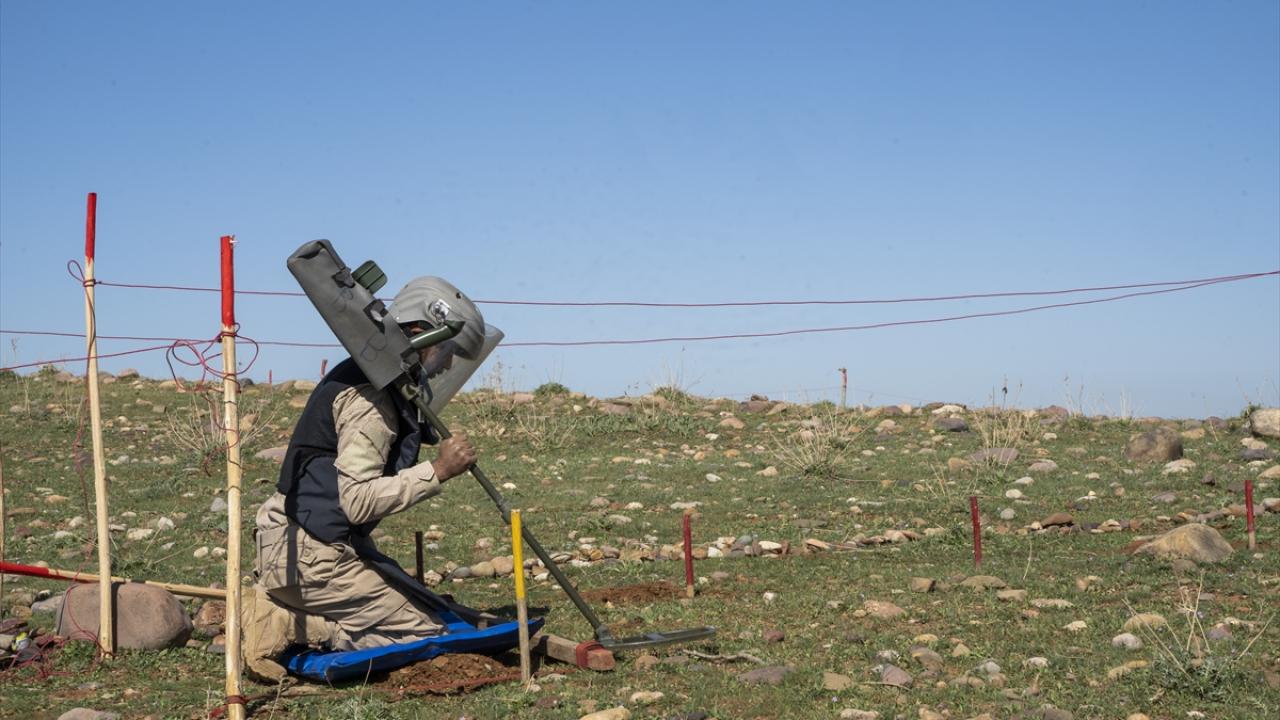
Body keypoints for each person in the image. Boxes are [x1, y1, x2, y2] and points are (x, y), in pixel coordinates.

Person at [241, 276, 485, 682]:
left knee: (435, 609)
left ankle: (294, 607)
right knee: (425, 635)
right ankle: (288, 624)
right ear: (421, 333)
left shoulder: (374, 380)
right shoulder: (370, 399)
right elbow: (357, 502)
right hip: (310, 557)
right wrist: (438, 471)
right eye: (448, 352)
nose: (446, 366)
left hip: (311, 546)